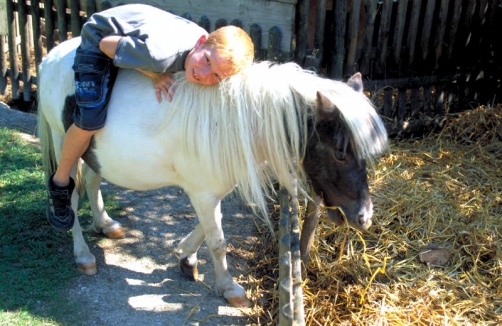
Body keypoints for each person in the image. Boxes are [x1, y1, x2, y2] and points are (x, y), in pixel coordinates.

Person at [46, 4, 255, 232]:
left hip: (130, 35)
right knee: (89, 119)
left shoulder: (204, 48)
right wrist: (154, 73)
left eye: (216, 75)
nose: (204, 75)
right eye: (206, 61)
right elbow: (106, 45)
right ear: (201, 42)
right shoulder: (160, 56)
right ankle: (60, 183)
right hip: (98, 40)